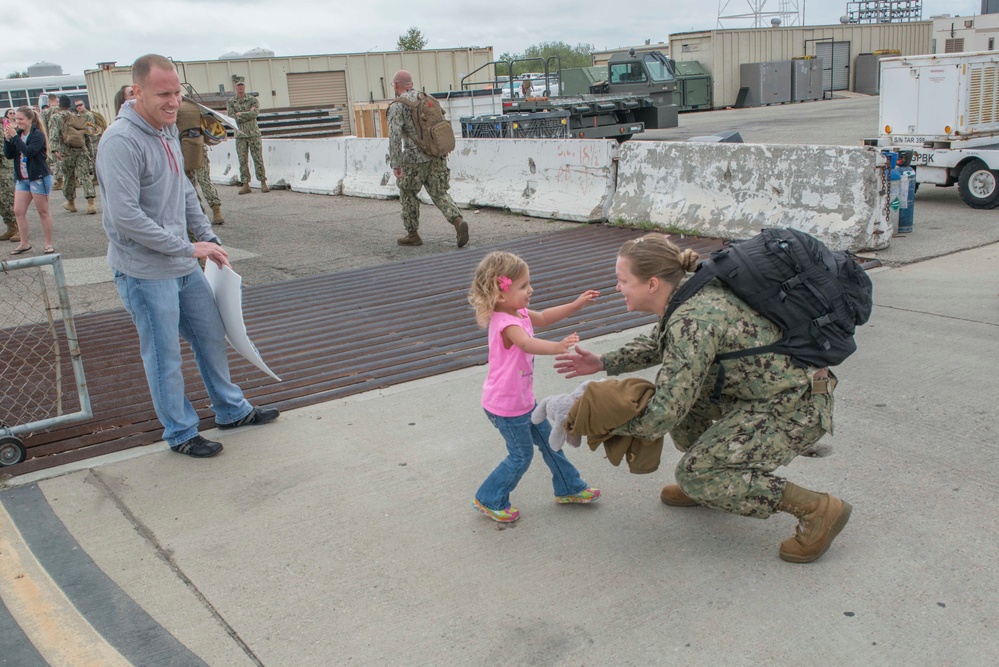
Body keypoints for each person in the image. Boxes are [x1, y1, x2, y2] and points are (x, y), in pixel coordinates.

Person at [553, 234, 851, 563]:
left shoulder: (691, 320)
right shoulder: (691, 296)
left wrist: (596, 418)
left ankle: (816, 509)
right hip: (764, 395)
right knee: (687, 407)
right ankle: (712, 481)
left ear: (652, 284)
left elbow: (663, 413)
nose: (618, 287)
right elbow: (660, 344)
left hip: (793, 408)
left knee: (691, 462)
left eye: (623, 280)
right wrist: (603, 362)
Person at [96, 54, 279, 458]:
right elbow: (125, 217)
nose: (174, 101)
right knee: (165, 356)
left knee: (211, 336)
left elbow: (184, 192)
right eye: (164, 94)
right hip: (145, 272)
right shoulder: (120, 141)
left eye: (177, 92)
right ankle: (180, 432)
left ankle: (230, 410)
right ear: (137, 92)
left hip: (182, 265)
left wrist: (208, 239)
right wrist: (189, 247)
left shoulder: (165, 130)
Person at [467, 250, 601, 523]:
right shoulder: (505, 323)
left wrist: (576, 305)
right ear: (501, 294)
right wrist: (558, 347)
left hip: (523, 401)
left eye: (529, 283)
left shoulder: (519, 312)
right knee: (520, 456)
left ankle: (569, 487)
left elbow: (546, 317)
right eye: (524, 286)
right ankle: (489, 498)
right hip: (505, 407)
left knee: (551, 442)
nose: (531, 289)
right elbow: (527, 344)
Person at [388, 69, 468, 248]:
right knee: (439, 193)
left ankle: (412, 234)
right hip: (435, 154)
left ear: (396, 85)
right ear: (411, 83)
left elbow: (394, 137)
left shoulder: (397, 106)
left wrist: (396, 163)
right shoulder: (427, 99)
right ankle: (458, 222)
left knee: (408, 193)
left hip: (413, 160)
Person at [3, 106, 55, 254]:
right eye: (15, 119)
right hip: (22, 179)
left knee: (43, 212)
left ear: (30, 119)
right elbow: (9, 155)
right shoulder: (17, 134)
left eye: (20, 119)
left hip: (38, 177)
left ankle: (48, 243)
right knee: (18, 211)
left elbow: (29, 152)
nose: (17, 122)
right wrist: (7, 140)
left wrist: (14, 138)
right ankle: (24, 242)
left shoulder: (37, 135)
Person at [50, 95, 97, 215]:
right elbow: (88, 134)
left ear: (60, 105)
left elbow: (54, 134)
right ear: (70, 105)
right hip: (81, 150)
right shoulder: (78, 116)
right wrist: (90, 152)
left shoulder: (55, 117)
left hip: (66, 151)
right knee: (85, 175)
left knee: (69, 177)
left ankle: (71, 203)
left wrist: (54, 150)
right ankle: (90, 203)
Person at [226, 76, 267, 194]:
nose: (240, 87)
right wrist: (247, 113)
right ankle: (245, 184)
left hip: (253, 133)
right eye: (238, 85)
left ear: (245, 86)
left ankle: (263, 182)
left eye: (242, 85)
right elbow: (231, 116)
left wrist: (240, 114)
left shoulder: (252, 100)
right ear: (235, 86)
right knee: (242, 160)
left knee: (258, 158)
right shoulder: (231, 102)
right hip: (240, 135)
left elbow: (255, 114)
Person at [0, 109, 17, 241]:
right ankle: (10, 227)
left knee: (8, 197)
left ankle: (18, 228)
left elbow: (3, 149)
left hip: (4, 168)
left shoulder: (2, 126)